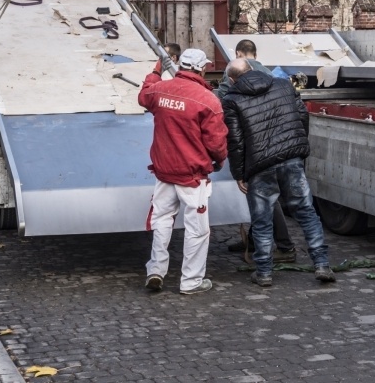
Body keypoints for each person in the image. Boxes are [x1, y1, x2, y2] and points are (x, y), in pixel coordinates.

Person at [221, 58, 336, 287]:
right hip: (291, 159)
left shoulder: (232, 99)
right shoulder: (283, 86)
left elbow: (236, 141)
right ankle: (322, 264)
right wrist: (299, 149)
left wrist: (239, 174)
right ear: (252, 70)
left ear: (232, 79)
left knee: (262, 220)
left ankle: (264, 272)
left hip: (259, 166)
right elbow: (302, 116)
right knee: (307, 213)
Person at [138, 48, 228, 295]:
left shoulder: (159, 90)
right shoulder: (208, 100)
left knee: (162, 221)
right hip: (192, 176)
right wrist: (219, 161)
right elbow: (217, 142)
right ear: (201, 68)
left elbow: (144, 95)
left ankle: (156, 270)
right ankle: (191, 282)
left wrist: (156, 69)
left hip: (164, 172)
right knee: (197, 230)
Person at [217, 39, 297, 264]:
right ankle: (255, 241)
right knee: (263, 194)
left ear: (239, 54)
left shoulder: (234, 73)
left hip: (254, 144)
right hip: (275, 141)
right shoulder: (271, 74)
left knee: (265, 195)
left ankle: (285, 246)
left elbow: (222, 103)